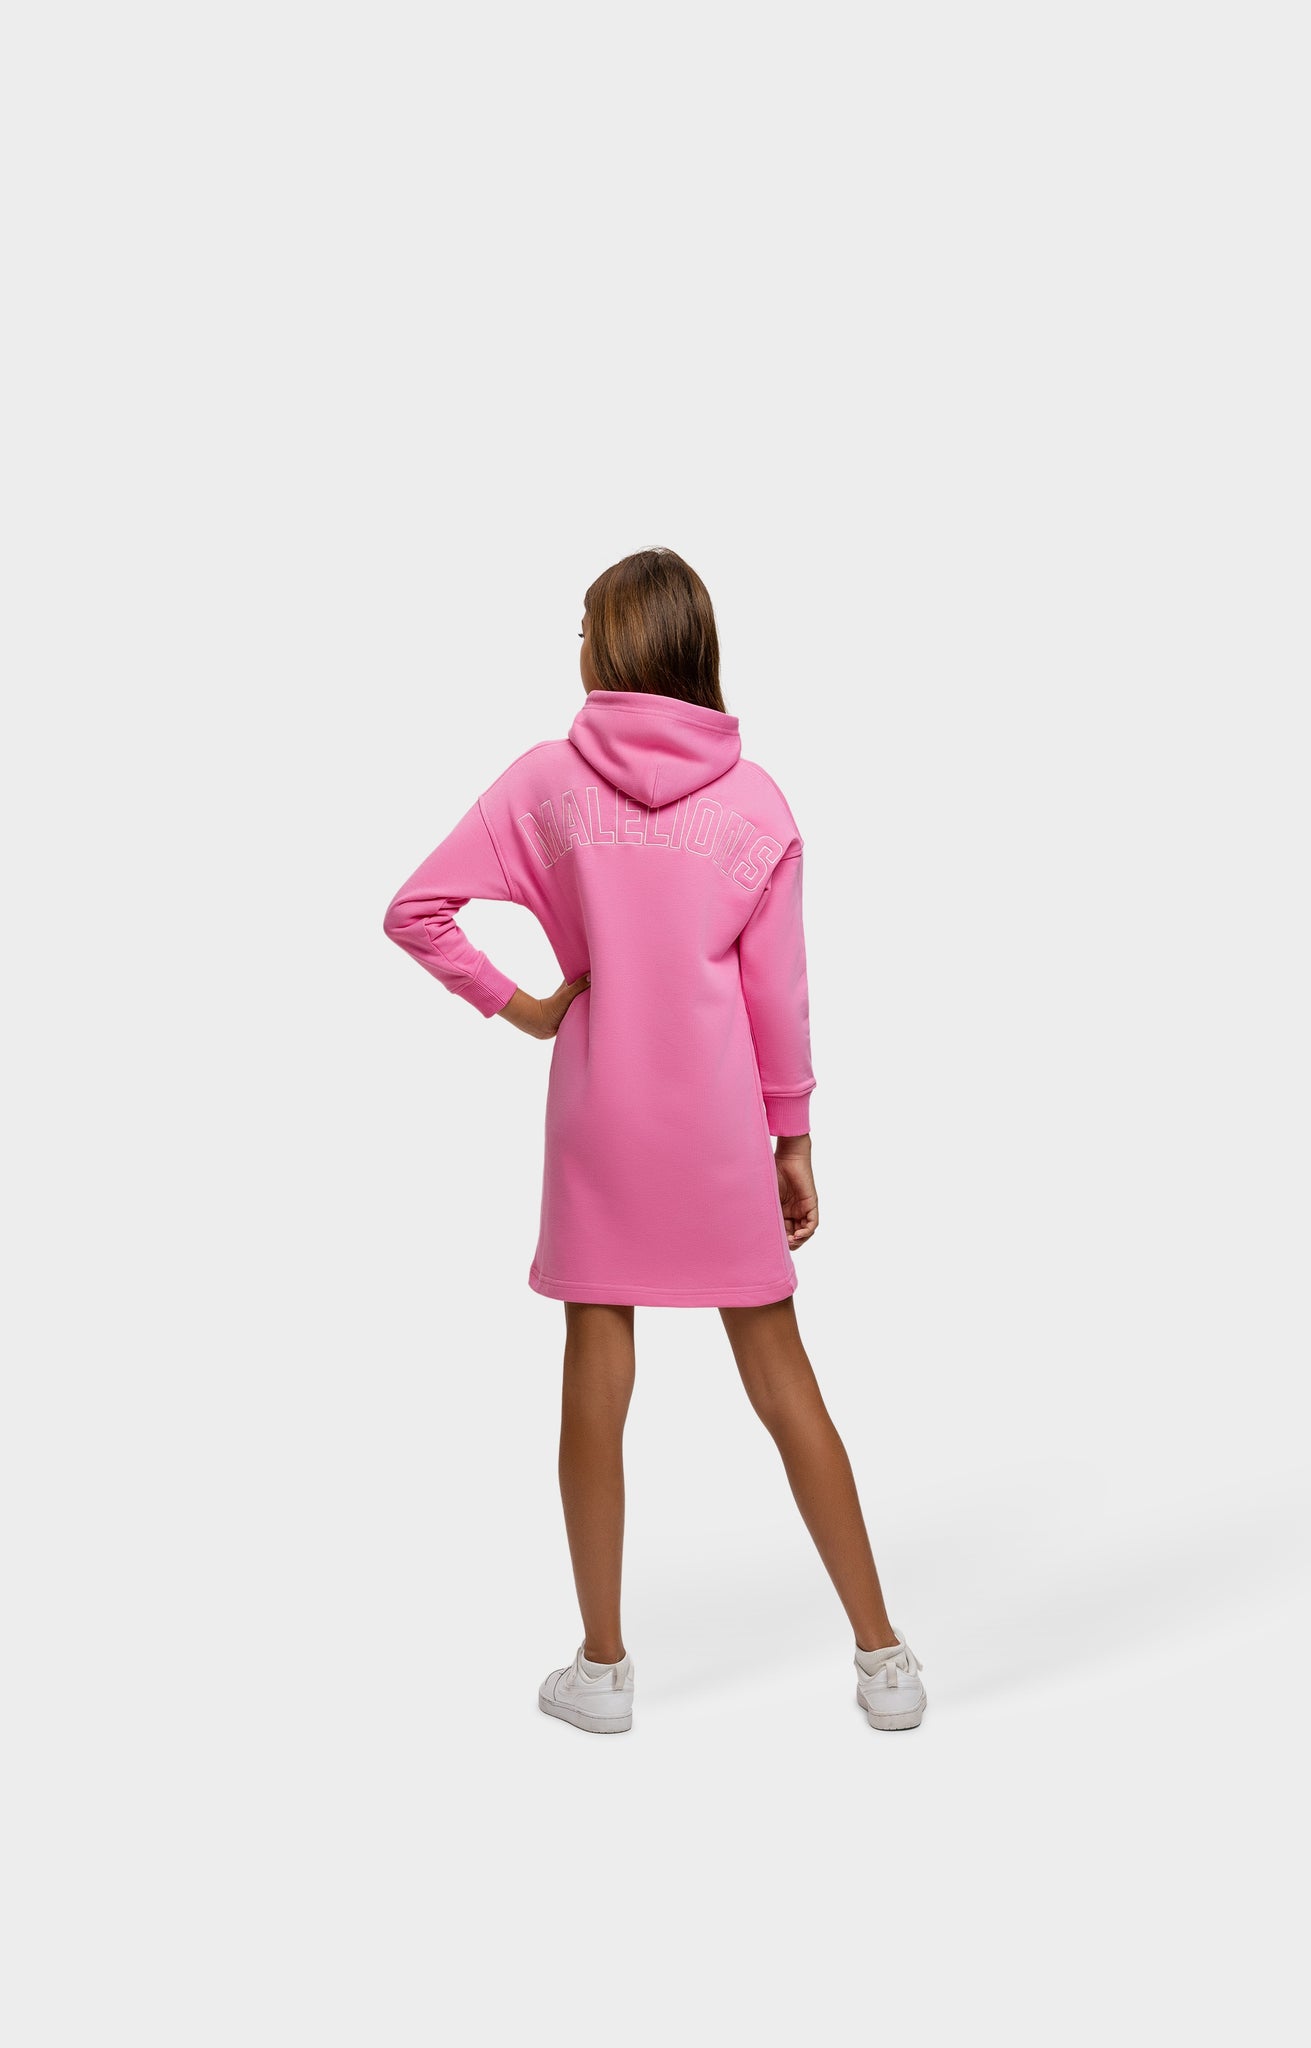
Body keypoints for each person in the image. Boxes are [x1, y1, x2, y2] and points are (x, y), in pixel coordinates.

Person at [382, 547, 925, 1734]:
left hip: (601, 1120)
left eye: (584, 625)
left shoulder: (545, 783)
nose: (576, 644)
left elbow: (413, 909)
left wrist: (526, 1008)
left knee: (595, 1370)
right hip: (721, 1126)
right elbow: (778, 992)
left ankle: (603, 1669)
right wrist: (793, 1136)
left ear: (619, 643)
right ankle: (884, 1658)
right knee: (784, 1379)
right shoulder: (759, 802)